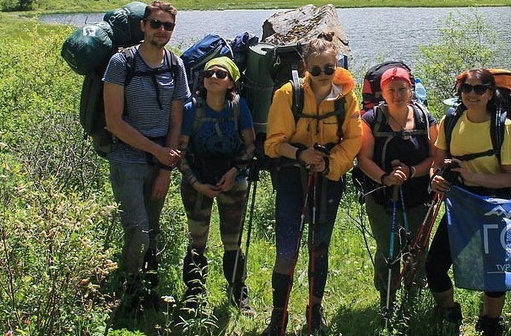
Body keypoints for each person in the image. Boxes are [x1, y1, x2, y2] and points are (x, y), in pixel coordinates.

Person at [262, 32, 363, 336]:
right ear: (305, 66)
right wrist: (301, 154)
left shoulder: (346, 96)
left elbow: (354, 138)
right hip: (293, 178)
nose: (322, 75)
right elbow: (272, 144)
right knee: (287, 249)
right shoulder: (286, 95)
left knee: (319, 248)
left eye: (328, 69)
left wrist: (330, 164)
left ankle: (313, 316)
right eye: (316, 69)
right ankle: (277, 319)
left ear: (336, 65)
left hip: (328, 180)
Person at [103, 0, 189, 310]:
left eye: (168, 25)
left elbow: (177, 120)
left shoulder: (175, 64)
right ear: (143, 25)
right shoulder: (120, 63)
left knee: (152, 229)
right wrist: (158, 152)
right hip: (127, 159)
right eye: (156, 23)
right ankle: (129, 293)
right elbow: (114, 122)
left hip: (159, 162)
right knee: (138, 229)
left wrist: (166, 168)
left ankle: (148, 292)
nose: (162, 30)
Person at [427, 68, 511, 336]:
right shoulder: (450, 121)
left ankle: (490, 323)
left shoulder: (502, 126)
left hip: (494, 204)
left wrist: (470, 174)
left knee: (494, 270)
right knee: (434, 266)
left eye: (479, 89)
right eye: (467, 89)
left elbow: (508, 179)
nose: (472, 94)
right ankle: (449, 311)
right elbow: (437, 164)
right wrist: (436, 179)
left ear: (490, 93)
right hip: (460, 204)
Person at [356, 66, 443, 315]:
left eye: (402, 89)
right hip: (382, 196)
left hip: (419, 195)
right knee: (388, 250)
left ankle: (414, 296)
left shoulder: (425, 117)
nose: (397, 95)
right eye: (391, 90)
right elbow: (364, 159)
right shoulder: (371, 120)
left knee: (418, 248)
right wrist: (385, 178)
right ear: (382, 92)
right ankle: (387, 300)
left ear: (410, 90)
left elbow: (436, 157)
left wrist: (412, 171)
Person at [178, 56, 256, 315]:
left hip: (232, 181)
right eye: (209, 73)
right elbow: (180, 152)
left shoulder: (238, 107)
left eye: (221, 75)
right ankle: (193, 295)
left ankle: (238, 294)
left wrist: (234, 173)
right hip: (197, 181)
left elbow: (249, 146)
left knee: (232, 240)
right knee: (196, 239)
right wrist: (195, 183)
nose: (213, 78)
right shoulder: (192, 108)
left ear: (231, 82)